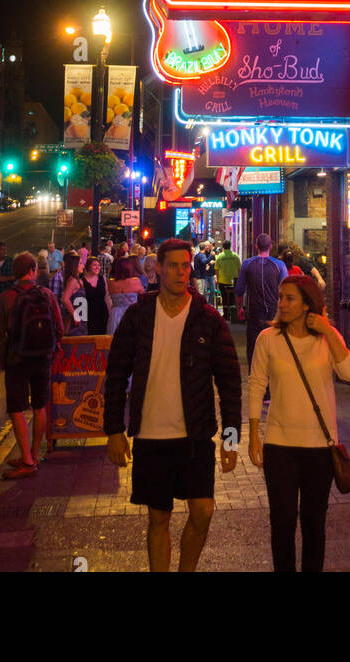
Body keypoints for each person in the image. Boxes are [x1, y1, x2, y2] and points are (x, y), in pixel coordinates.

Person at [104, 238, 241, 572]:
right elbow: (116, 372)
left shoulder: (208, 318)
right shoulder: (139, 316)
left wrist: (231, 437)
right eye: (174, 266)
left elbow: (230, 382)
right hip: (151, 435)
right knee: (158, 517)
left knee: (203, 511)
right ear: (159, 269)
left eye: (186, 266)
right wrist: (114, 430)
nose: (182, 272)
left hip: (194, 436)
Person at [248, 275, 350, 573]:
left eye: (289, 298)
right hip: (279, 445)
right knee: (282, 523)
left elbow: (349, 372)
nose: (281, 303)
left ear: (308, 304)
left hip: (319, 448)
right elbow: (257, 384)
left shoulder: (326, 339)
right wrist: (252, 434)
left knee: (314, 523)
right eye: (281, 297)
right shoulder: (267, 339)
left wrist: (329, 331)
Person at [0, 251, 64, 478]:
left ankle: (26, 459)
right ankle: (34, 453)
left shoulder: (6, 297)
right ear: (33, 270)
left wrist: (2, 359)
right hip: (43, 358)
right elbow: (59, 328)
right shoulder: (47, 294)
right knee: (40, 406)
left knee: (16, 409)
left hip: (17, 359)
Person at [234, 234, 289, 369]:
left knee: (254, 349)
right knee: (275, 348)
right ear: (270, 246)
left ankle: (256, 378)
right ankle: (272, 380)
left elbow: (239, 290)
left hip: (254, 313)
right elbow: (286, 290)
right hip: (274, 313)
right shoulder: (279, 265)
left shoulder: (247, 264)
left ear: (256, 246)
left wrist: (239, 309)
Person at [107, 242, 143, 333]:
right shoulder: (136, 281)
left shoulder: (111, 283)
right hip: (133, 314)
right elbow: (143, 298)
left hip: (116, 314)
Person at [81, 256, 111, 334]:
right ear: (88, 267)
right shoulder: (81, 281)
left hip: (102, 312)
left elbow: (106, 296)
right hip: (89, 313)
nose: (97, 267)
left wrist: (110, 312)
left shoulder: (102, 278)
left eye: (98, 265)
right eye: (94, 265)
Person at [60, 250, 86, 334]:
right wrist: (75, 316)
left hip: (81, 317)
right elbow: (65, 299)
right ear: (74, 266)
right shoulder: (73, 280)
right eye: (80, 263)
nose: (83, 265)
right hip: (76, 322)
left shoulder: (76, 280)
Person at [215, 241, 241, 321]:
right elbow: (239, 268)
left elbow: (217, 270)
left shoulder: (219, 256)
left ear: (223, 247)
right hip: (234, 281)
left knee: (224, 298)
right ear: (230, 246)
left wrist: (218, 280)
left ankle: (226, 315)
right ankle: (232, 314)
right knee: (233, 298)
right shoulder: (235, 256)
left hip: (223, 281)